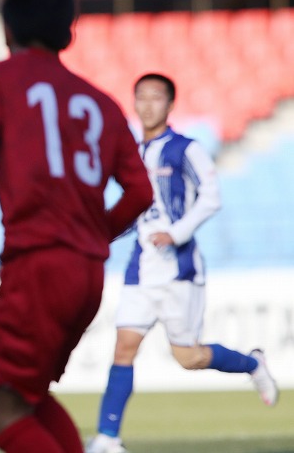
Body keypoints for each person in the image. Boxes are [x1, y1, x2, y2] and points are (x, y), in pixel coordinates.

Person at [0, 0, 154, 453]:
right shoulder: (102, 103)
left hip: (39, 264)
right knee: (28, 396)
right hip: (88, 272)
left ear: (8, 29)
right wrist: (95, 235)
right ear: (69, 31)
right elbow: (141, 191)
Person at [85, 73, 279, 453]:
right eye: (141, 97)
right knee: (124, 346)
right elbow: (137, 212)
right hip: (141, 269)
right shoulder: (132, 153)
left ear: (170, 104)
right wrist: (102, 233)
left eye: (156, 97)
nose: (147, 104)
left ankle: (253, 364)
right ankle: (108, 437)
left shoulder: (186, 149)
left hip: (180, 269)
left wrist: (177, 232)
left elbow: (211, 197)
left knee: (188, 358)